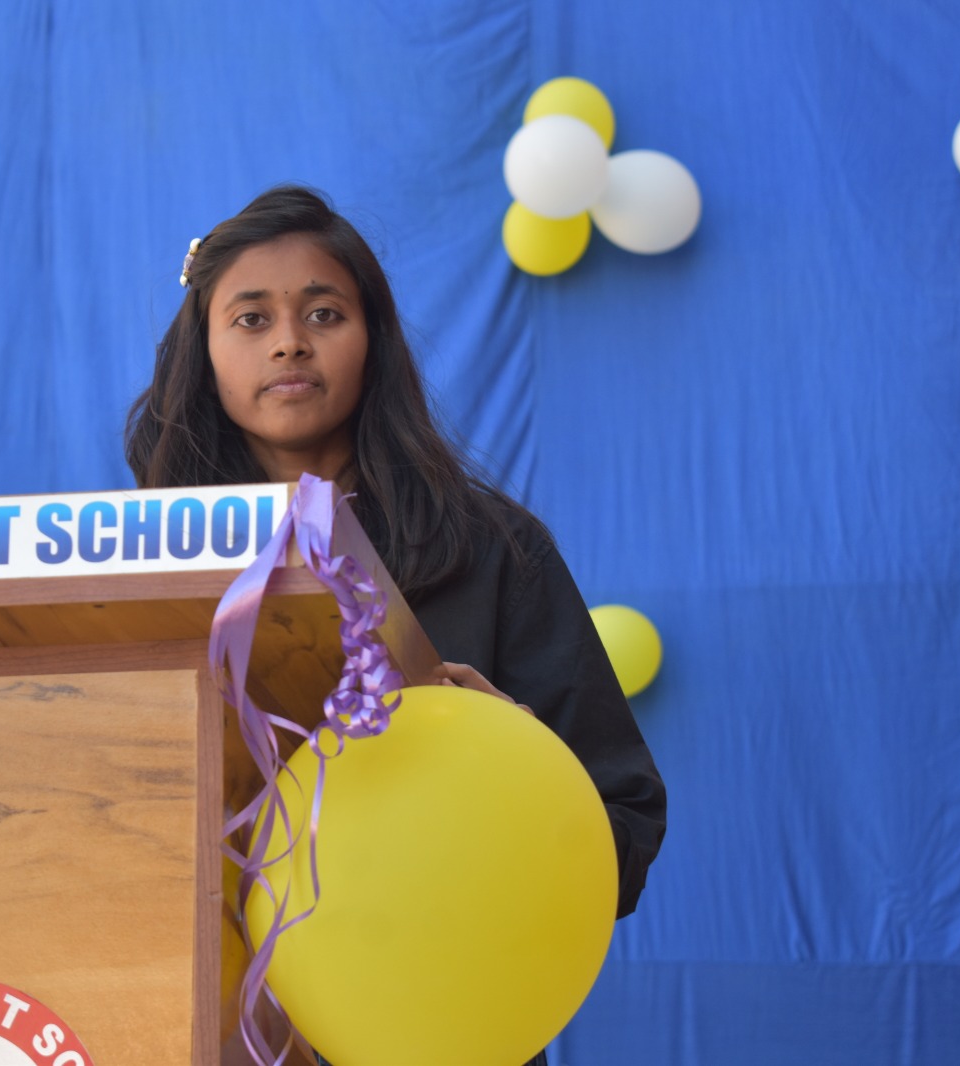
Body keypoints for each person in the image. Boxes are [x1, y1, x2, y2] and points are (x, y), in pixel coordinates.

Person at [125, 185, 666, 1066]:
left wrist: (515, 765)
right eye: (252, 319)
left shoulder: (493, 549)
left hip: (437, 1026)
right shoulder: (142, 564)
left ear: (373, 339)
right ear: (203, 351)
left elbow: (623, 826)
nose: (289, 341)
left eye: (324, 313)